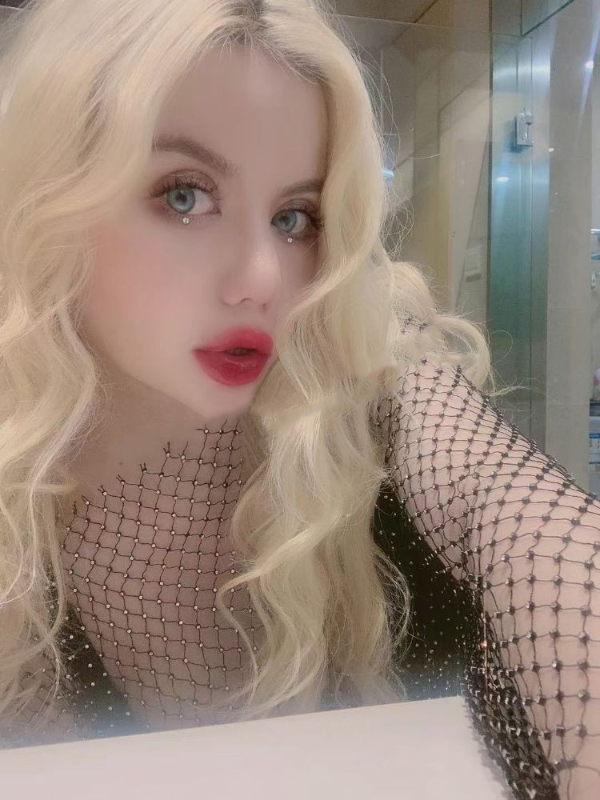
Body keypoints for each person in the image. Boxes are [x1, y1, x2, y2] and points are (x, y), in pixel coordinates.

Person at [0, 1, 596, 798]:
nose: (263, 279)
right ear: (49, 199)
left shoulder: (368, 366)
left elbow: (521, 520)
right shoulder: (20, 499)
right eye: (185, 196)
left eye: (295, 218)